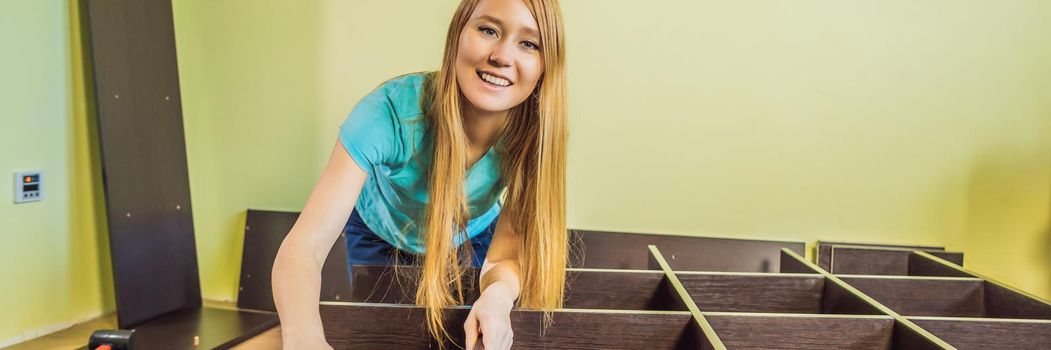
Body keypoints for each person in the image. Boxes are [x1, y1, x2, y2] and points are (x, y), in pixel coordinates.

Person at [271, 0, 568, 349]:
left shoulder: (535, 134)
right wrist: (304, 336)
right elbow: (304, 247)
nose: (502, 56)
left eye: (529, 43)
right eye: (488, 30)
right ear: (457, 34)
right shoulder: (386, 114)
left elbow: (505, 258)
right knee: (383, 337)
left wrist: (499, 297)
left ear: (546, 65)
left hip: (468, 234)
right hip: (380, 232)